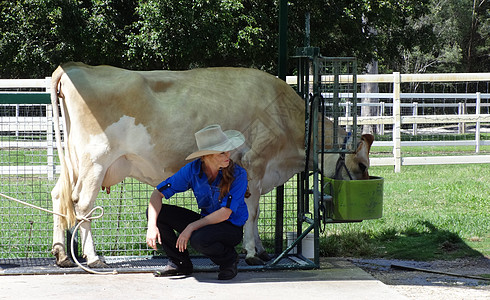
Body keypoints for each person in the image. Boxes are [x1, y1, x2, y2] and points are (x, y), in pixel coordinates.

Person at [146, 124, 249, 280]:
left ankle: (229, 260)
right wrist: (151, 226)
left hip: (230, 227)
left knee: (198, 239)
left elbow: (225, 213)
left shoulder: (238, 174)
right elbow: (156, 195)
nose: (228, 154)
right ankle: (179, 263)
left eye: (227, 150)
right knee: (157, 213)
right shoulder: (192, 170)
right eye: (221, 152)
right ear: (206, 156)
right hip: (206, 222)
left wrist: (191, 227)